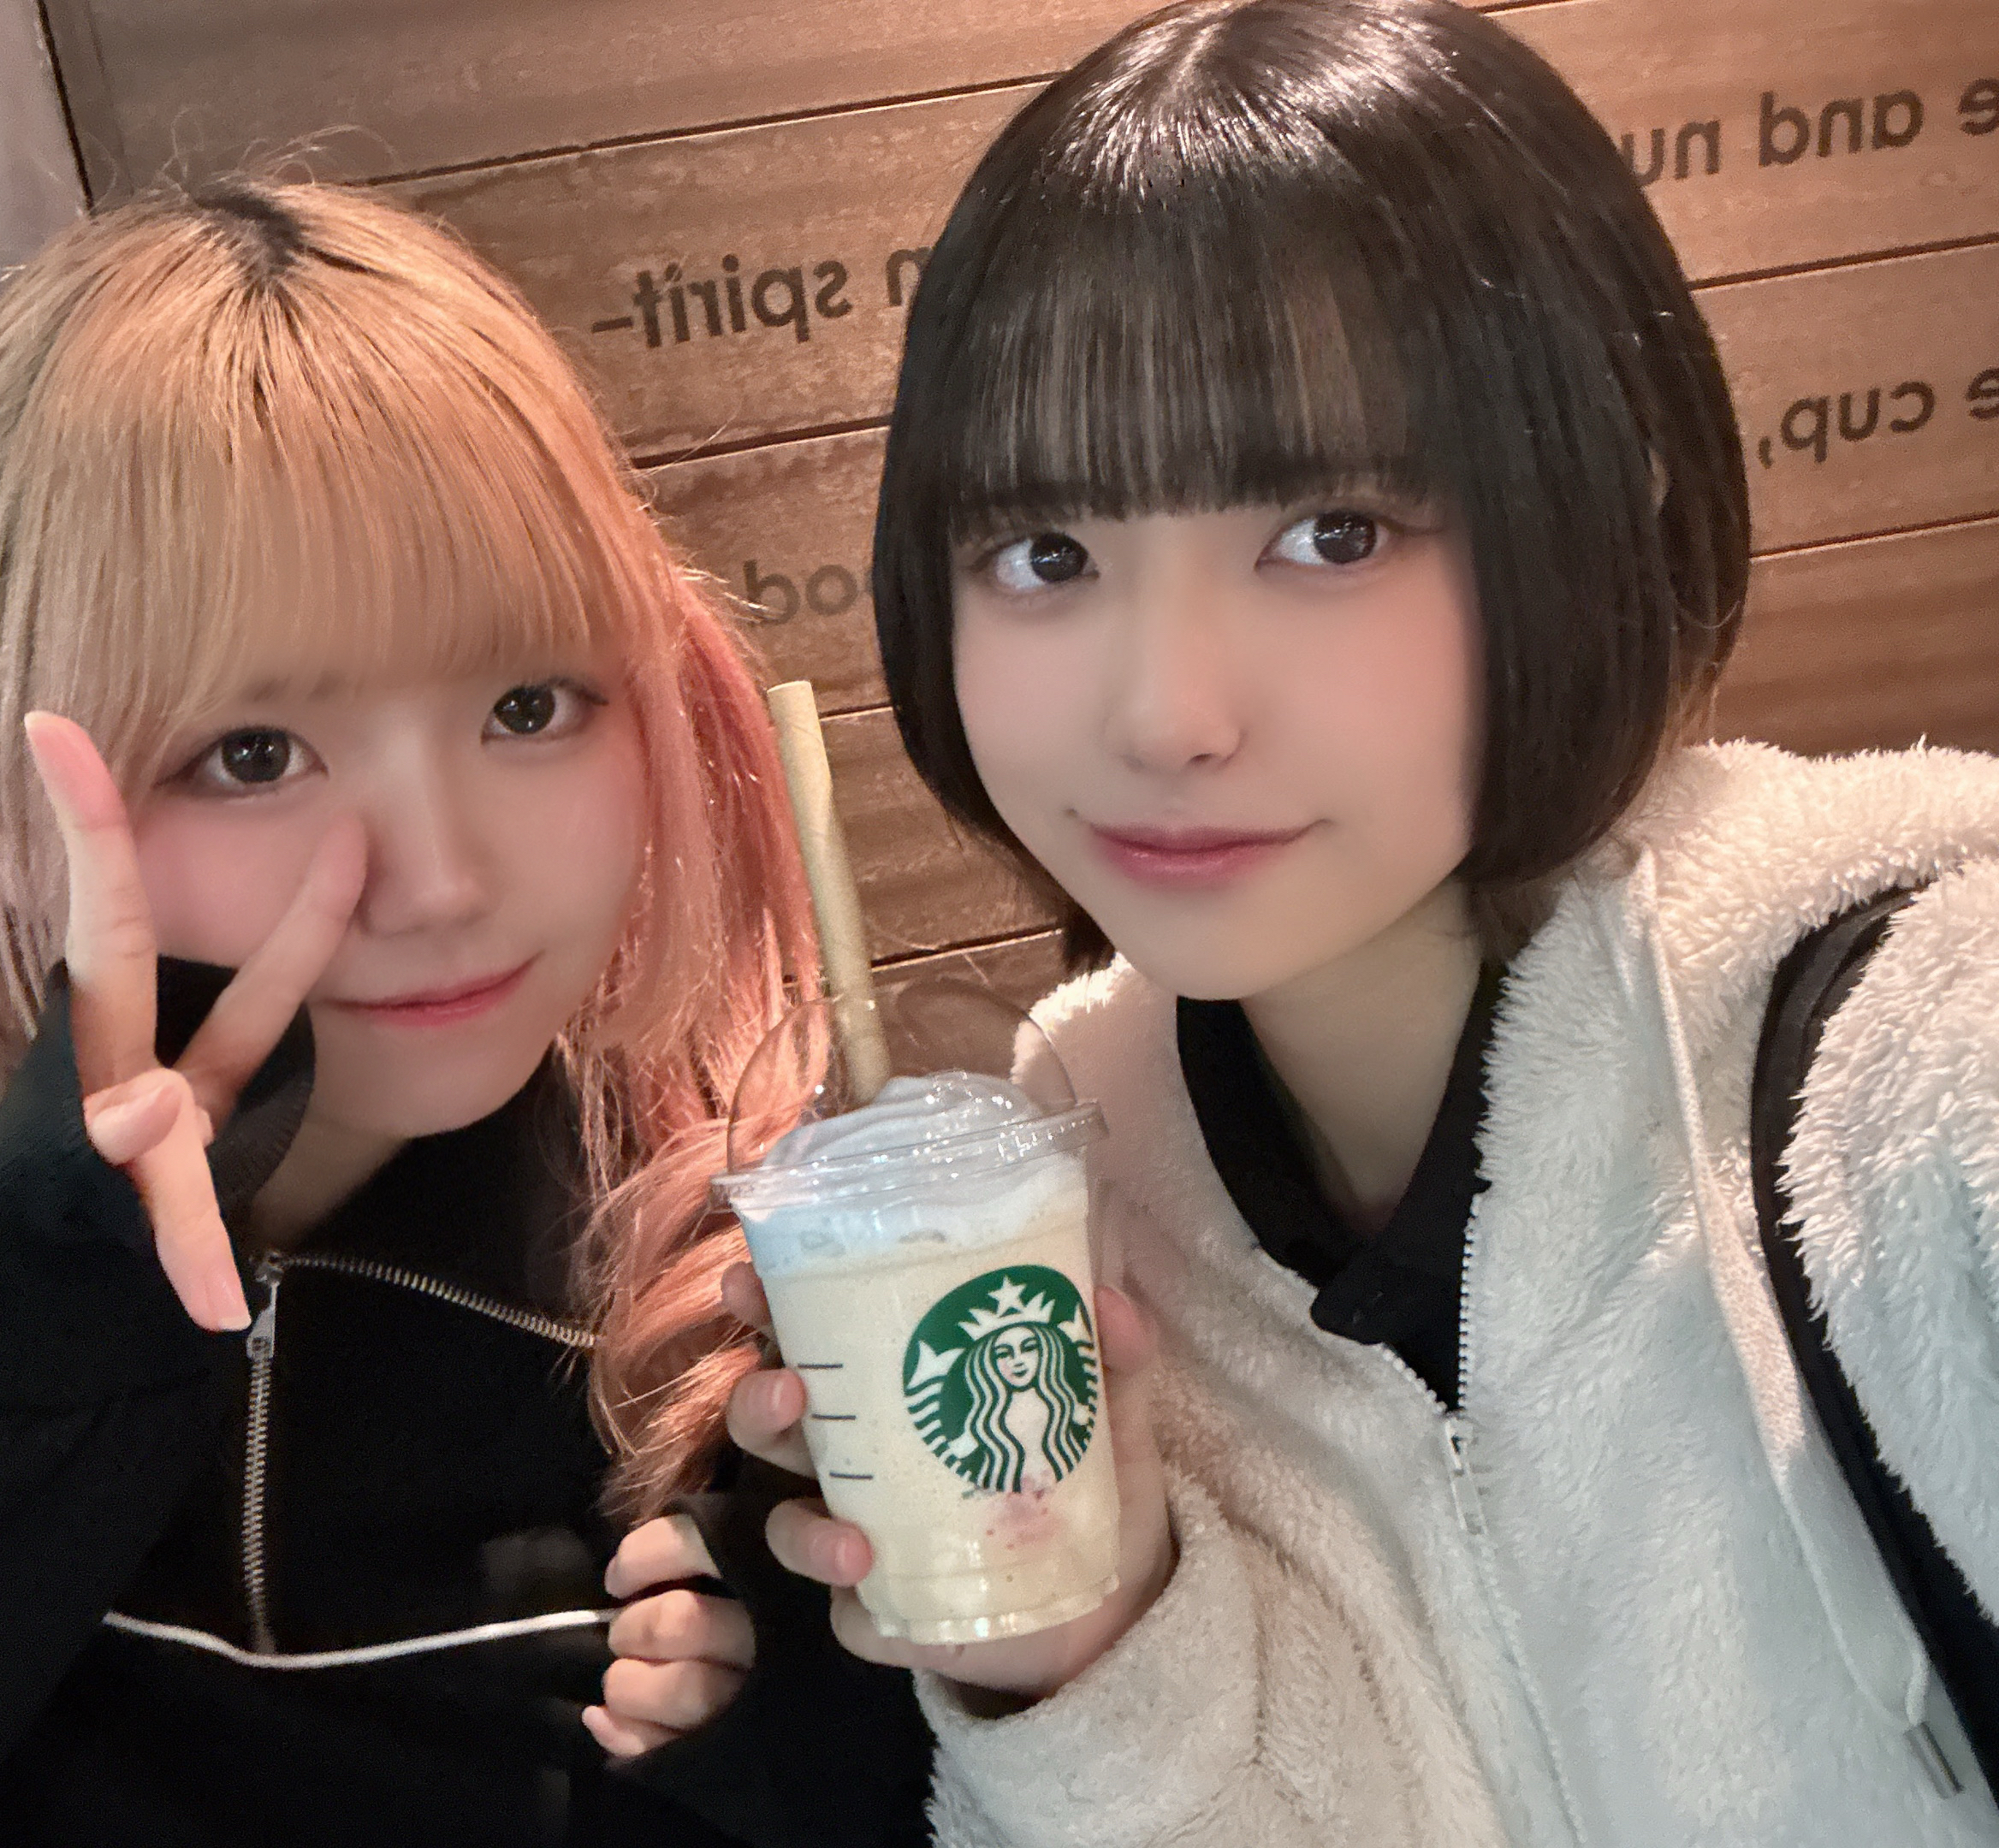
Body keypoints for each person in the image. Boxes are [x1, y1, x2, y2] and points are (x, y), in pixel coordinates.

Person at [612, 1, 1999, 1841]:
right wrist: (1090, 1657)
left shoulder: (1913, 1056)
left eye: (1332, 532)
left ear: (1612, 503)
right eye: (1047, 556)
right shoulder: (1082, 1218)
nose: (1167, 714)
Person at [0, 177, 932, 1847]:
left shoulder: (735, 1298)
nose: (439, 880)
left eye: (528, 704)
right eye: (253, 754)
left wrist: (836, 1743)